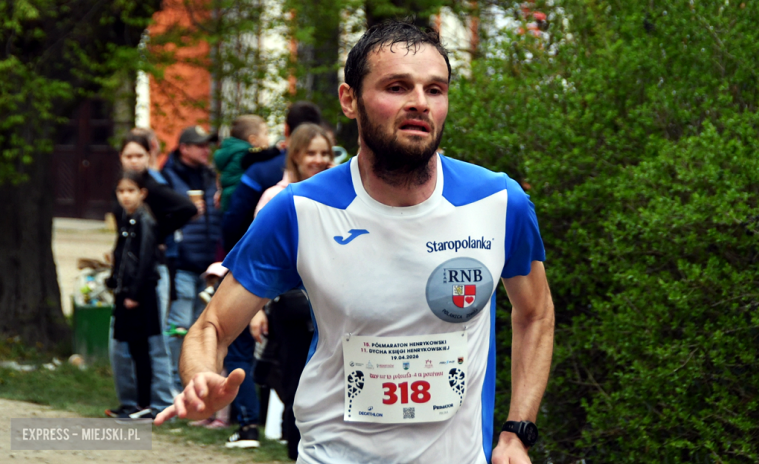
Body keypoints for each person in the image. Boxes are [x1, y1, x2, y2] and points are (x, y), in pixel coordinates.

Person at [156, 20, 554, 464]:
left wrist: (517, 431)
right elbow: (212, 326)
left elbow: (535, 313)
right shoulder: (299, 211)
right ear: (350, 100)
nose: (419, 103)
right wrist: (200, 378)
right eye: (397, 87)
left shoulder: (499, 202)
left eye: (435, 90)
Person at [249, 123, 334, 458]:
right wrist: (257, 309)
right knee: (295, 383)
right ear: (296, 155)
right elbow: (258, 261)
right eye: (311, 152)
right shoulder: (276, 197)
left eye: (325, 153)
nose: (318, 159)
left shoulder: (338, 196)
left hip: (330, 306)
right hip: (293, 306)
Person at [105, 132, 197, 419]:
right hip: (128, 277)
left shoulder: (153, 188)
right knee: (123, 342)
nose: (133, 161)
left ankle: (157, 402)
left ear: (149, 157)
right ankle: (132, 401)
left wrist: (159, 232)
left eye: (139, 156)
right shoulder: (123, 188)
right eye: (128, 156)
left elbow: (187, 208)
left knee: (153, 340)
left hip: (149, 275)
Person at [161, 125, 221, 391]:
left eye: (207, 145)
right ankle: (174, 385)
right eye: (200, 145)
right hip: (183, 264)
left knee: (201, 330)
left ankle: (193, 385)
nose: (206, 150)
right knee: (179, 327)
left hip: (208, 265)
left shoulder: (209, 175)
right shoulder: (168, 178)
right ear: (184, 148)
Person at [221, 101, 323, 253]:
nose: (317, 161)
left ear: (286, 129)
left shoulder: (261, 170)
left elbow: (235, 220)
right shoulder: (332, 176)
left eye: (323, 154)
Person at [106, 170, 162, 421]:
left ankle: (144, 404)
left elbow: (146, 259)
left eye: (130, 191)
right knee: (127, 347)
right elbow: (122, 255)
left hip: (138, 294)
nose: (125, 197)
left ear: (142, 193)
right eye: (121, 191)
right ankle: (131, 403)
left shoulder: (145, 221)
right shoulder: (125, 219)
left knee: (141, 349)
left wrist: (135, 293)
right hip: (124, 291)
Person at [214, 115, 269, 212]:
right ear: (253, 140)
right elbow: (263, 155)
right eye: (266, 134)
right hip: (237, 200)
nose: (268, 139)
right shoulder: (245, 153)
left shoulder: (232, 151)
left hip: (228, 199)